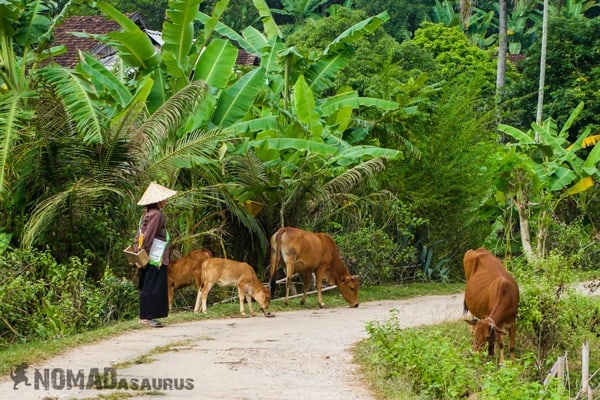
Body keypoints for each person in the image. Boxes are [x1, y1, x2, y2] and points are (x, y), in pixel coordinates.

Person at [133, 182, 177, 328]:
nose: (165, 201)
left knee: (147, 285)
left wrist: (136, 252)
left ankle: (144, 315)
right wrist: (142, 254)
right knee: (152, 286)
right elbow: (147, 237)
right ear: (158, 200)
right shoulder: (156, 215)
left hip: (146, 256)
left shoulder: (146, 215)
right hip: (154, 257)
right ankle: (147, 316)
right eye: (163, 199)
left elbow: (139, 236)